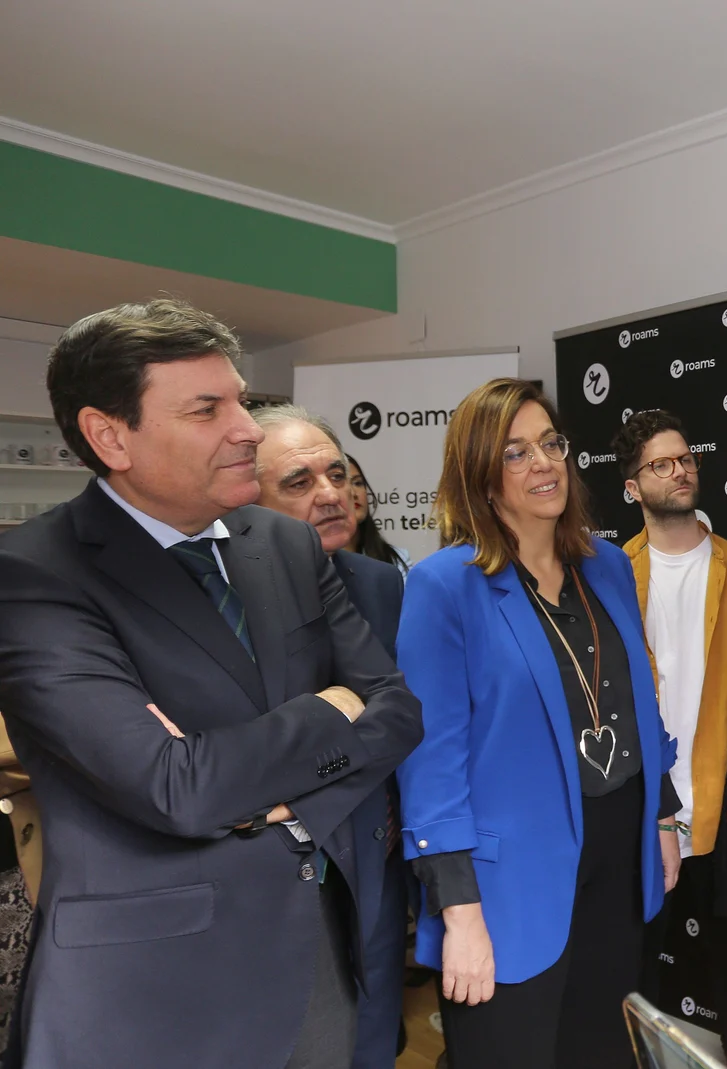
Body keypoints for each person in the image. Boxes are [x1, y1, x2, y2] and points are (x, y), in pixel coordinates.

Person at [0, 298, 423, 1069]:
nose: (249, 429)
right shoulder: (36, 574)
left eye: (239, 399)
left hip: (319, 963)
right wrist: (332, 709)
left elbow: (397, 712)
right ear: (108, 435)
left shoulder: (287, 543)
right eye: (208, 409)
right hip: (153, 998)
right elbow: (176, 788)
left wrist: (279, 783)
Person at [396, 379, 681, 1069]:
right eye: (515, 452)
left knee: (603, 1053)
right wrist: (459, 913)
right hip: (507, 889)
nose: (544, 463)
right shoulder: (445, 586)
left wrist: (665, 816)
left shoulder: (609, 566)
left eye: (551, 443)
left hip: (617, 856)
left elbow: (633, 704)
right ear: (480, 476)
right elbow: (431, 764)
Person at [610, 410, 727, 1069]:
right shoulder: (610, 572)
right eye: (661, 463)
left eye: (686, 458)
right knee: (636, 966)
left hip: (721, 805)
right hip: (642, 808)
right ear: (630, 486)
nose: (680, 470)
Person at [253, 404, 410, 1069]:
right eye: (299, 482)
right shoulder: (208, 599)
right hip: (262, 878)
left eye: (338, 474)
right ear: (243, 498)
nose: (331, 494)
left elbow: (399, 717)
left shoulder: (378, 582)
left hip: (371, 855)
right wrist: (343, 711)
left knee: (368, 1039)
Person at [343, 455, 411, 577]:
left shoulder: (397, 558)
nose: (354, 493)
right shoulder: (318, 562)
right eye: (344, 485)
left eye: (358, 483)